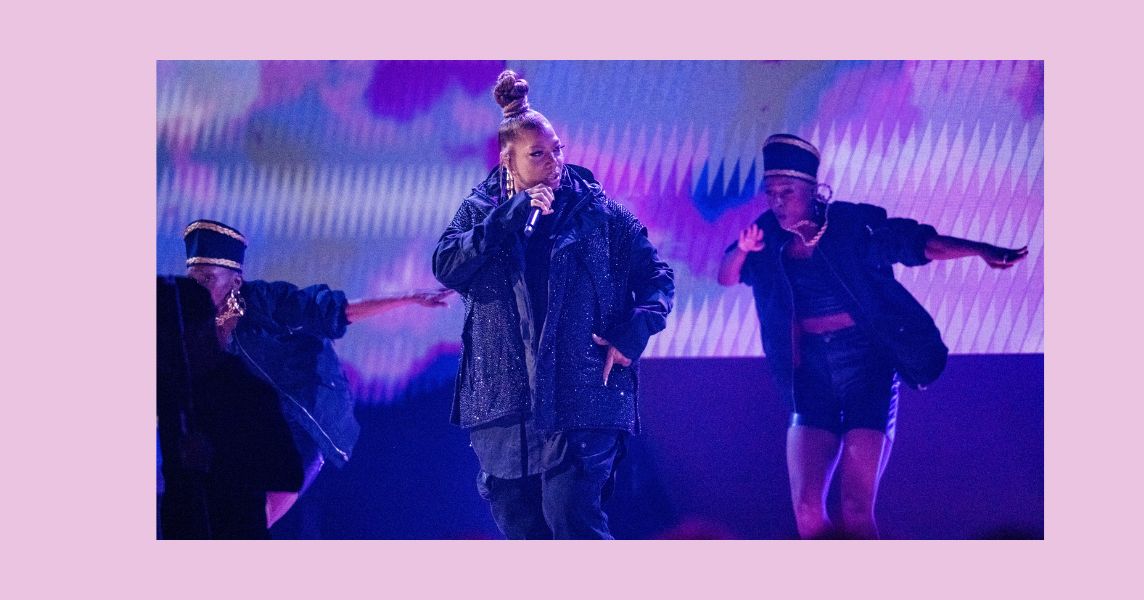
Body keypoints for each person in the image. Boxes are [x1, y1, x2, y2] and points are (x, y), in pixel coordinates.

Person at [717, 134, 1028, 539]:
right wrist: (741, 250)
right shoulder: (765, 234)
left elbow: (914, 242)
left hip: (866, 368)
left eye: (787, 192)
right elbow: (727, 276)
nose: (777, 202)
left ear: (812, 190)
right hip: (809, 374)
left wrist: (978, 249)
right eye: (771, 193)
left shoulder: (849, 224)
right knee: (808, 510)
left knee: (855, 509)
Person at [432, 70, 674, 539]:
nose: (553, 162)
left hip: (582, 394)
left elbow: (657, 276)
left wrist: (632, 333)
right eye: (538, 154)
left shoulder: (599, 210)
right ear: (509, 160)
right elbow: (446, 264)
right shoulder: (485, 211)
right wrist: (512, 215)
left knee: (572, 523)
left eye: (557, 149)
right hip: (505, 404)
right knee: (524, 531)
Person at [183, 219, 452, 527]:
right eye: (191, 279)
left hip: (304, 421)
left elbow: (332, 310)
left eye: (206, 279)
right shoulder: (187, 327)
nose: (196, 289)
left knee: (252, 521)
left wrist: (408, 298)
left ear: (234, 283)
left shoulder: (266, 303)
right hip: (245, 428)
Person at [157, 275, 303, 539]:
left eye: (166, 337)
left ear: (199, 332)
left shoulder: (247, 393)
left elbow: (289, 474)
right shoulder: (168, 390)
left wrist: (217, 459)